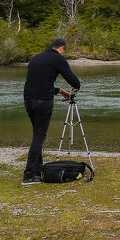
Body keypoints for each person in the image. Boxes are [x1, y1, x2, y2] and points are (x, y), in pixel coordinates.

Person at [22, 37, 81, 185]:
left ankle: (37, 170)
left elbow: (39, 82)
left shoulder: (36, 58)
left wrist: (59, 90)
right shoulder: (58, 58)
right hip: (43, 101)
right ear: (61, 49)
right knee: (39, 136)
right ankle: (29, 175)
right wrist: (77, 86)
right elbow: (72, 79)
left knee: (37, 134)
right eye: (63, 51)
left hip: (29, 100)